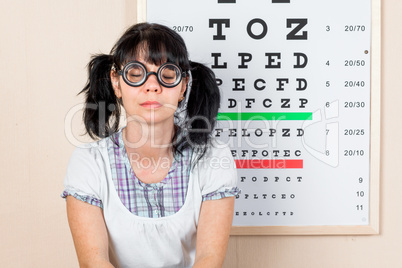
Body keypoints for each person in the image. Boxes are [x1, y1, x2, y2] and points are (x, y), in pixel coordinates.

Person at [61, 22, 239, 268]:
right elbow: (93, 262)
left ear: (183, 85)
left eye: (167, 76)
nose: (152, 86)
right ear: (116, 81)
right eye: (136, 74)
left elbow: (209, 260)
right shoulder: (88, 162)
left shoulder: (213, 156)